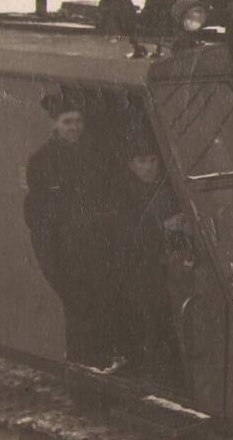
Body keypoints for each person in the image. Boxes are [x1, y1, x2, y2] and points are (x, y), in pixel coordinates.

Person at [24, 91, 123, 367]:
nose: (74, 127)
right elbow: (38, 217)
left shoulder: (96, 155)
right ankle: (83, 388)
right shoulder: (42, 161)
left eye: (78, 121)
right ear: (54, 125)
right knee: (79, 322)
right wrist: (53, 264)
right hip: (67, 258)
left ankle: (104, 378)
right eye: (67, 121)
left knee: (103, 316)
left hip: (99, 253)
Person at [114, 127, 184, 385]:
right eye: (142, 161)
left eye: (152, 160)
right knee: (149, 325)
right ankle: (154, 379)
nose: (148, 167)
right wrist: (161, 230)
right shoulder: (123, 194)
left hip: (168, 269)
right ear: (131, 165)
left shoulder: (167, 190)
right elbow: (126, 236)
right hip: (139, 272)